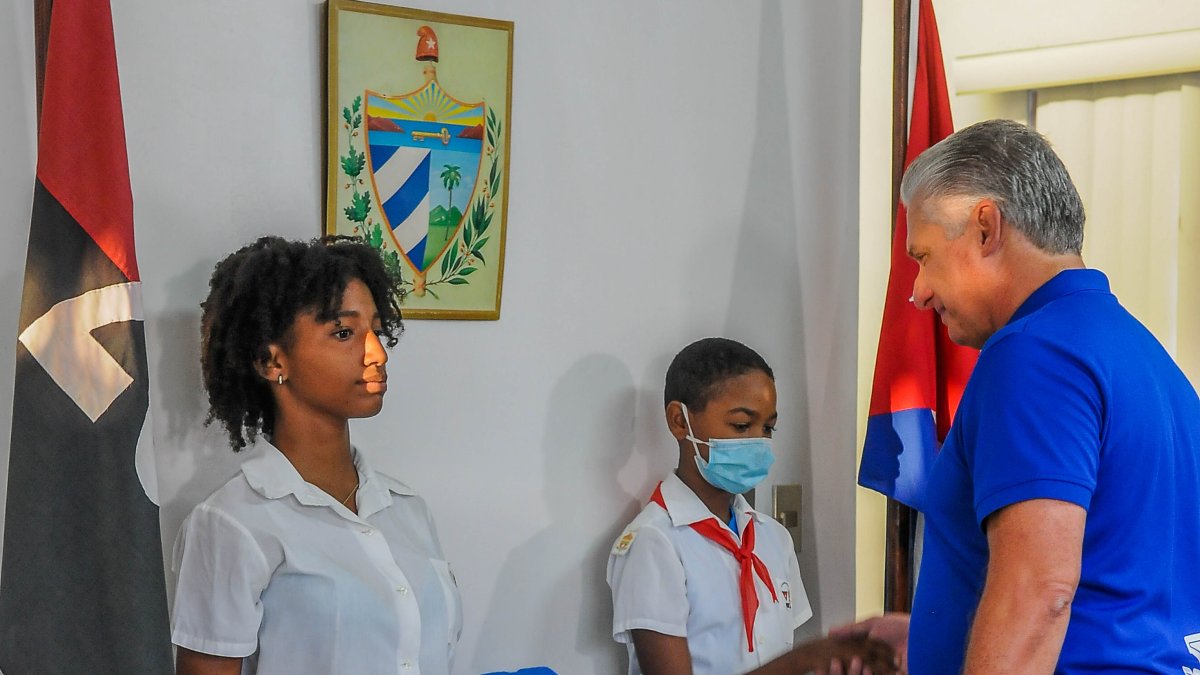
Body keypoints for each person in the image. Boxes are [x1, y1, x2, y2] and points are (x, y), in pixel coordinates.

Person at [837, 119, 1200, 673]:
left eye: (925, 256)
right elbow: (1120, 584)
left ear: (986, 227)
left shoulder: (1034, 354)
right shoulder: (1142, 355)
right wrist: (940, 631)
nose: (918, 291)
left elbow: (1040, 593)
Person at [172, 236, 462, 675]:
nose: (376, 354)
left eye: (376, 331)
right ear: (272, 362)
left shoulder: (407, 510)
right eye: (344, 333)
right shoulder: (233, 524)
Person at [607, 337, 897, 675]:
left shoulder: (772, 537)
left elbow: (778, 652)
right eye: (742, 425)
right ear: (679, 421)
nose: (758, 441)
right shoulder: (653, 543)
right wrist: (806, 659)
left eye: (768, 427)